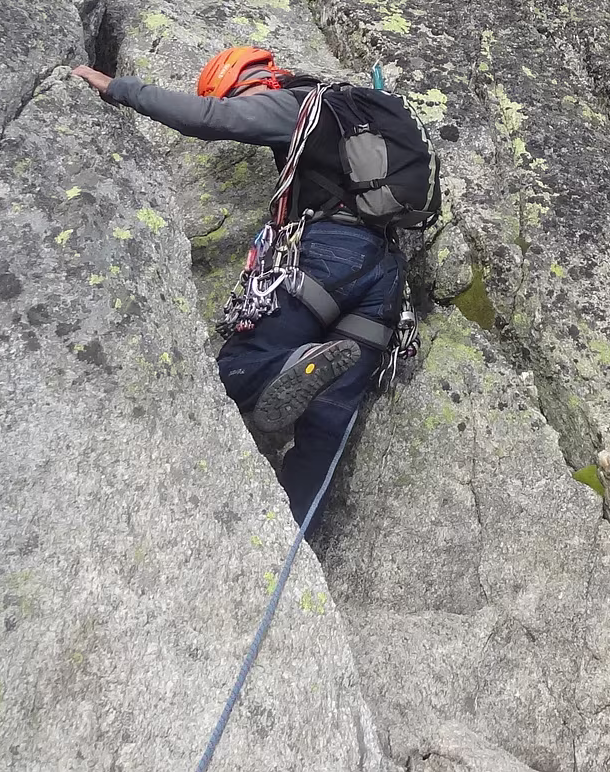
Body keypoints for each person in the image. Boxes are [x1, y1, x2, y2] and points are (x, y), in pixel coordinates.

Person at [71, 46, 401, 522]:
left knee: (236, 371)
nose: (237, 105)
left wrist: (119, 88)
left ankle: (292, 362)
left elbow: (210, 119)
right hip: (386, 277)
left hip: (331, 254)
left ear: (248, 79)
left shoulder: (297, 104)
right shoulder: (355, 118)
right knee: (328, 423)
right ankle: (295, 536)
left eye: (233, 95)